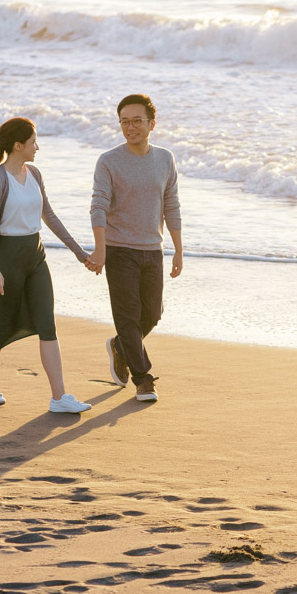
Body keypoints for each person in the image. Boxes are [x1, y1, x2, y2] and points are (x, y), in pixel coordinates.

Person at [0, 116, 92, 413]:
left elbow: (49, 215)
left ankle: (59, 397)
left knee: (47, 324)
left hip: (35, 256)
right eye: (34, 141)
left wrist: (79, 252)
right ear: (18, 145)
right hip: (7, 256)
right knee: (0, 326)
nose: (38, 147)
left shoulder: (34, 173)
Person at [86, 94, 183, 403]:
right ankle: (143, 379)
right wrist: (100, 248)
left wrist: (178, 250)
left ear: (151, 124)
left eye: (137, 121)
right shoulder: (109, 161)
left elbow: (172, 205)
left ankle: (120, 345)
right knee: (128, 316)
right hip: (119, 249)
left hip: (153, 249)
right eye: (124, 122)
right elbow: (98, 206)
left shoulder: (165, 159)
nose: (130, 127)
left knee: (152, 313)